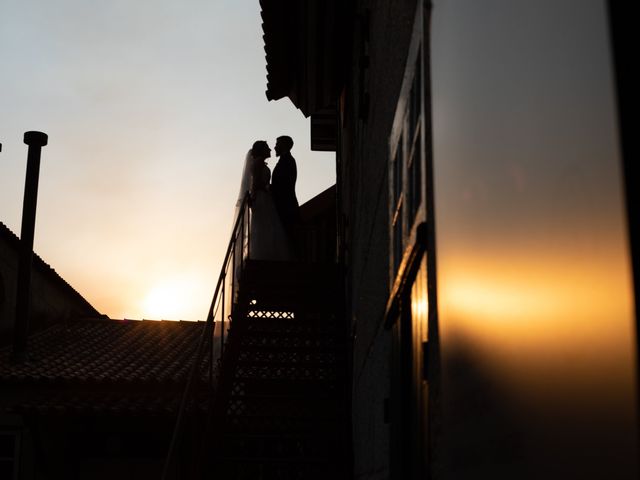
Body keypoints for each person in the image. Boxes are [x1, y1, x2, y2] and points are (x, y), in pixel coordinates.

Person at [237, 140, 293, 261]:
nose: (270, 150)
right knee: (263, 226)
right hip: (262, 198)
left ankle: (268, 254)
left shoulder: (261, 164)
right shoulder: (257, 164)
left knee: (268, 226)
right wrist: (264, 191)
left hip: (266, 198)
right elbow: (256, 183)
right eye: (267, 147)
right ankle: (262, 255)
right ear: (261, 150)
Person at [271, 136, 300, 241]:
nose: (274, 147)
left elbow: (283, 185)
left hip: (286, 207)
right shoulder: (285, 160)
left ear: (283, 145)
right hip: (283, 205)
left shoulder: (288, 161)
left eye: (277, 144)